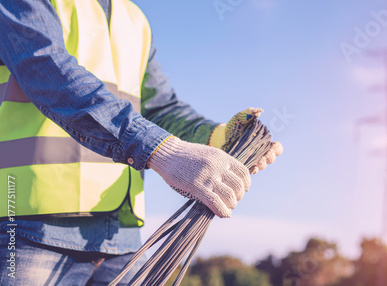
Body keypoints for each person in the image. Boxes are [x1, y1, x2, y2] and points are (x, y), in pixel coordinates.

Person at [0, 0, 282, 285]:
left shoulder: (133, 18)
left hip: (122, 236)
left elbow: (161, 108)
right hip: (30, 226)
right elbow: (47, 70)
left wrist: (220, 139)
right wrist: (162, 150)